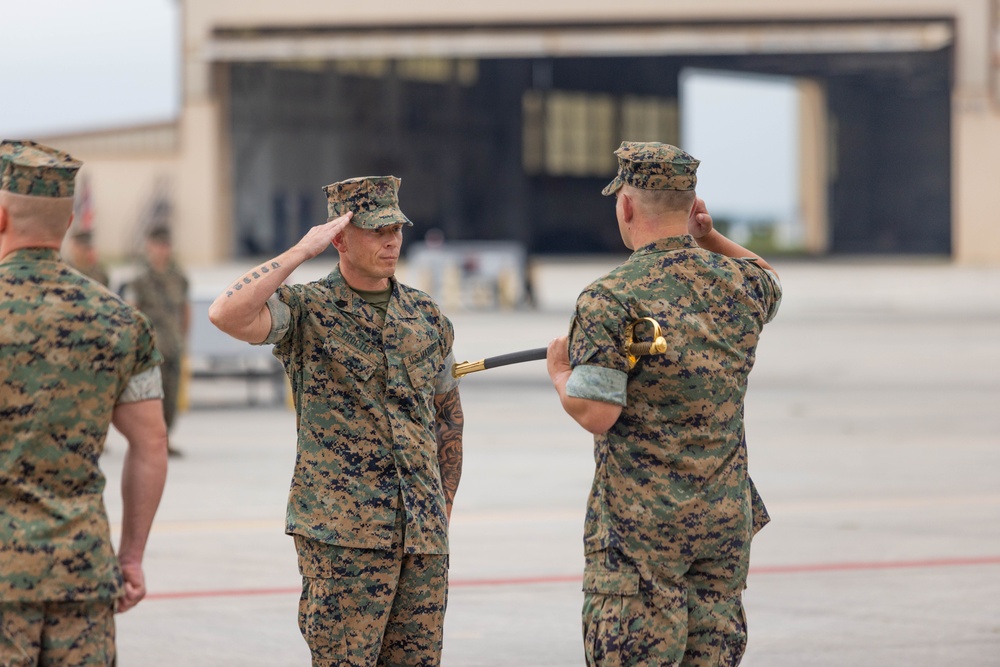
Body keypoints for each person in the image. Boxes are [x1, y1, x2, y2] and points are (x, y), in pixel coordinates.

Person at [208, 175, 464, 665]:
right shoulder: (307, 310)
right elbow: (226, 314)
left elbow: (447, 418)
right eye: (375, 229)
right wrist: (301, 250)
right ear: (340, 238)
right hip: (343, 539)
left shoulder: (427, 316)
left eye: (396, 227)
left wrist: (442, 507)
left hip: (422, 537)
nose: (391, 240)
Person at [546, 141, 782, 666]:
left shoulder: (609, 299)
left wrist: (561, 375)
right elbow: (767, 275)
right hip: (721, 528)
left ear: (626, 207)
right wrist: (710, 237)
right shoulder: (741, 286)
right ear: (691, 205)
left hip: (641, 538)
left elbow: (598, 412)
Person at [0, 140, 169, 666]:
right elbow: (151, 444)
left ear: (1, 216)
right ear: (69, 220)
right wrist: (131, 558)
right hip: (84, 573)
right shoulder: (121, 322)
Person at [123, 225, 190, 457]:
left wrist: (183, 339)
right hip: (152, 349)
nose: (163, 250)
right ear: (149, 247)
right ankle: (152, 441)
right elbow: (133, 312)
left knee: (171, 398)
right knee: (153, 397)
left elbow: (185, 310)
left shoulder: (178, 277)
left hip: (173, 346)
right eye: (158, 245)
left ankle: (165, 439)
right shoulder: (139, 280)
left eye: (166, 245)